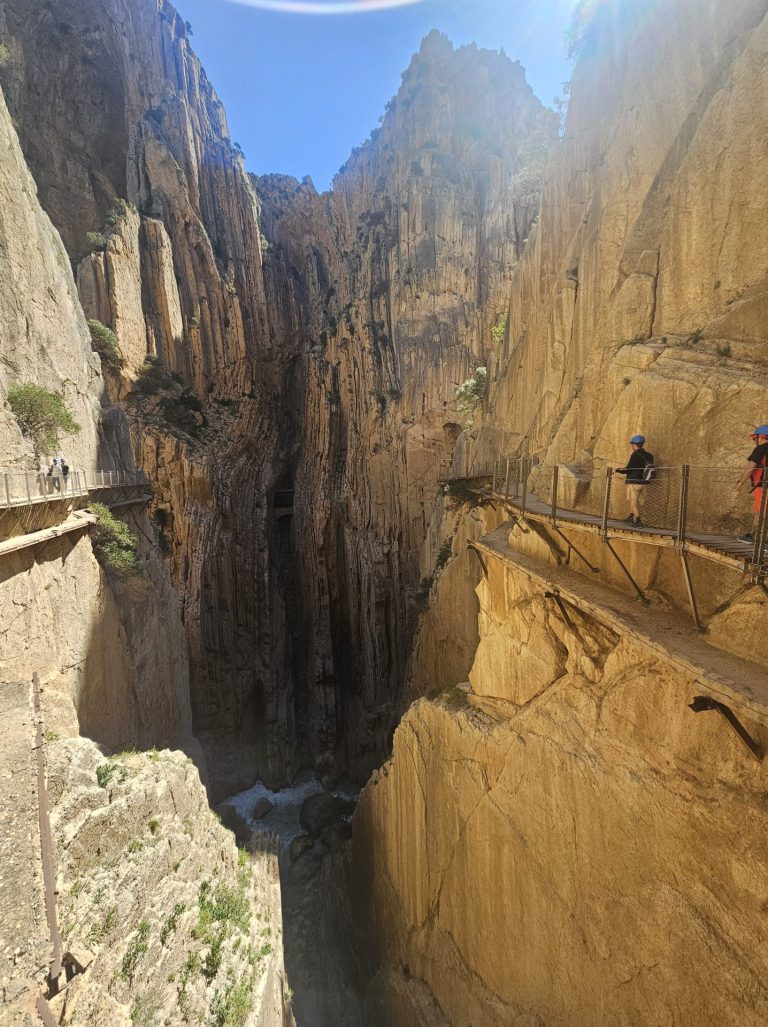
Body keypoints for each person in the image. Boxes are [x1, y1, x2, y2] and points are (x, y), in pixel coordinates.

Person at [734, 425, 768, 543]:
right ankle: (752, 535)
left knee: (760, 513)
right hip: (763, 486)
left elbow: (750, 468)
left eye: (755, 438)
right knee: (760, 513)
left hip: (763, 487)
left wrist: (740, 482)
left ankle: (752, 536)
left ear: (762, 437)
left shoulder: (761, 449)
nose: (755, 441)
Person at [615, 434, 654, 526]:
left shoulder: (635, 455)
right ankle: (631, 516)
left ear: (634, 445)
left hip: (634, 481)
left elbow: (629, 469)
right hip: (643, 482)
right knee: (633, 500)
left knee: (633, 501)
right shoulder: (649, 456)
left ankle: (637, 519)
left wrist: (617, 470)